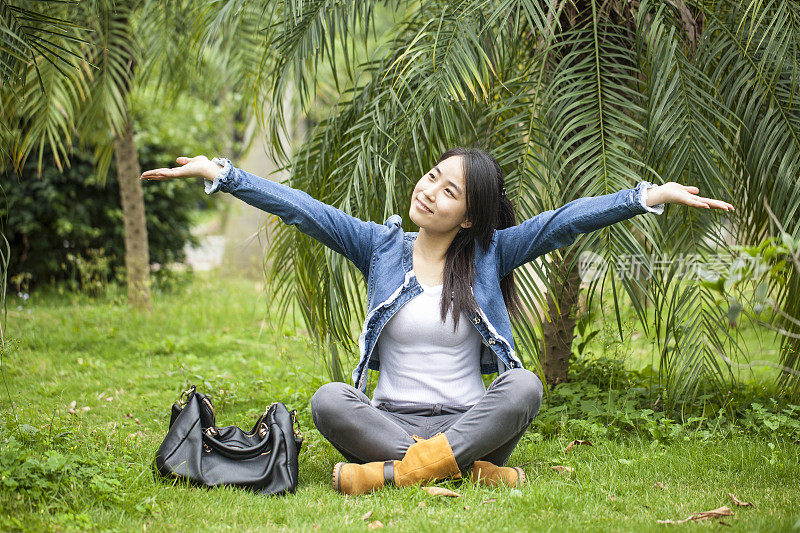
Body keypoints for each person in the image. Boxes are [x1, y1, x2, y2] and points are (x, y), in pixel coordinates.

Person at [141, 148, 734, 495]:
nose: (429, 192)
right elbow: (304, 209)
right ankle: (466, 469)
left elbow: (565, 220)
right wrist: (221, 174)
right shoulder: (379, 246)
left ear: (470, 215)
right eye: (431, 177)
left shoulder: (491, 252)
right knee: (329, 399)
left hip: (470, 416)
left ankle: (397, 475)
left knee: (524, 385)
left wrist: (647, 197)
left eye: (448, 191)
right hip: (392, 416)